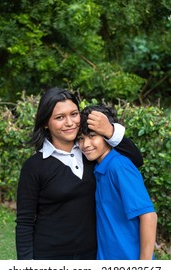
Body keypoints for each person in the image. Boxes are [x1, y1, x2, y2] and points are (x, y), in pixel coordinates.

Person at [16, 87, 143, 260]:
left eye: (74, 114)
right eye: (60, 117)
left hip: (93, 255)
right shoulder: (34, 166)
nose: (70, 123)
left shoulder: (90, 154)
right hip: (50, 258)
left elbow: (135, 160)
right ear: (46, 122)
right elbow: (25, 221)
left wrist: (110, 131)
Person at [77, 104, 157, 260]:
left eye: (92, 136)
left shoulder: (119, 166)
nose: (85, 144)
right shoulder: (99, 168)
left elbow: (148, 216)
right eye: (80, 139)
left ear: (107, 135)